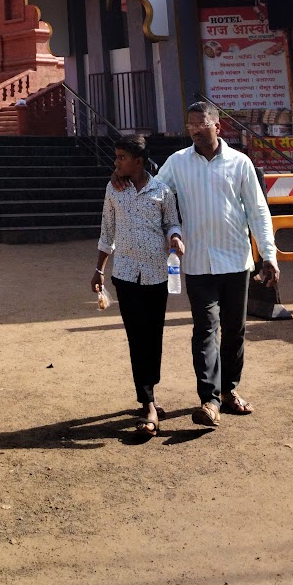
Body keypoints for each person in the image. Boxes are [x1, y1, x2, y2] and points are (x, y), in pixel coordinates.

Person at [155, 99, 279, 428]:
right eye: (190, 125)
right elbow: (156, 194)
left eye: (201, 124)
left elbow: (258, 210)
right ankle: (209, 400)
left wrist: (268, 254)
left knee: (234, 330)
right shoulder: (177, 163)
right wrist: (127, 180)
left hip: (236, 260)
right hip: (197, 263)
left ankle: (229, 391)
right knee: (206, 329)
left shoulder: (240, 164)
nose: (195, 130)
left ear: (217, 126)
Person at [93, 133, 183, 438]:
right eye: (116, 157)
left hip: (157, 274)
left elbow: (173, 222)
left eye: (121, 158)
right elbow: (107, 231)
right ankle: (147, 403)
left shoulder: (163, 191)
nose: (116, 162)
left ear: (139, 162)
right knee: (137, 336)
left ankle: (150, 393)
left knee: (153, 335)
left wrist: (175, 237)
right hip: (126, 275)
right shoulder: (114, 189)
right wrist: (99, 270)